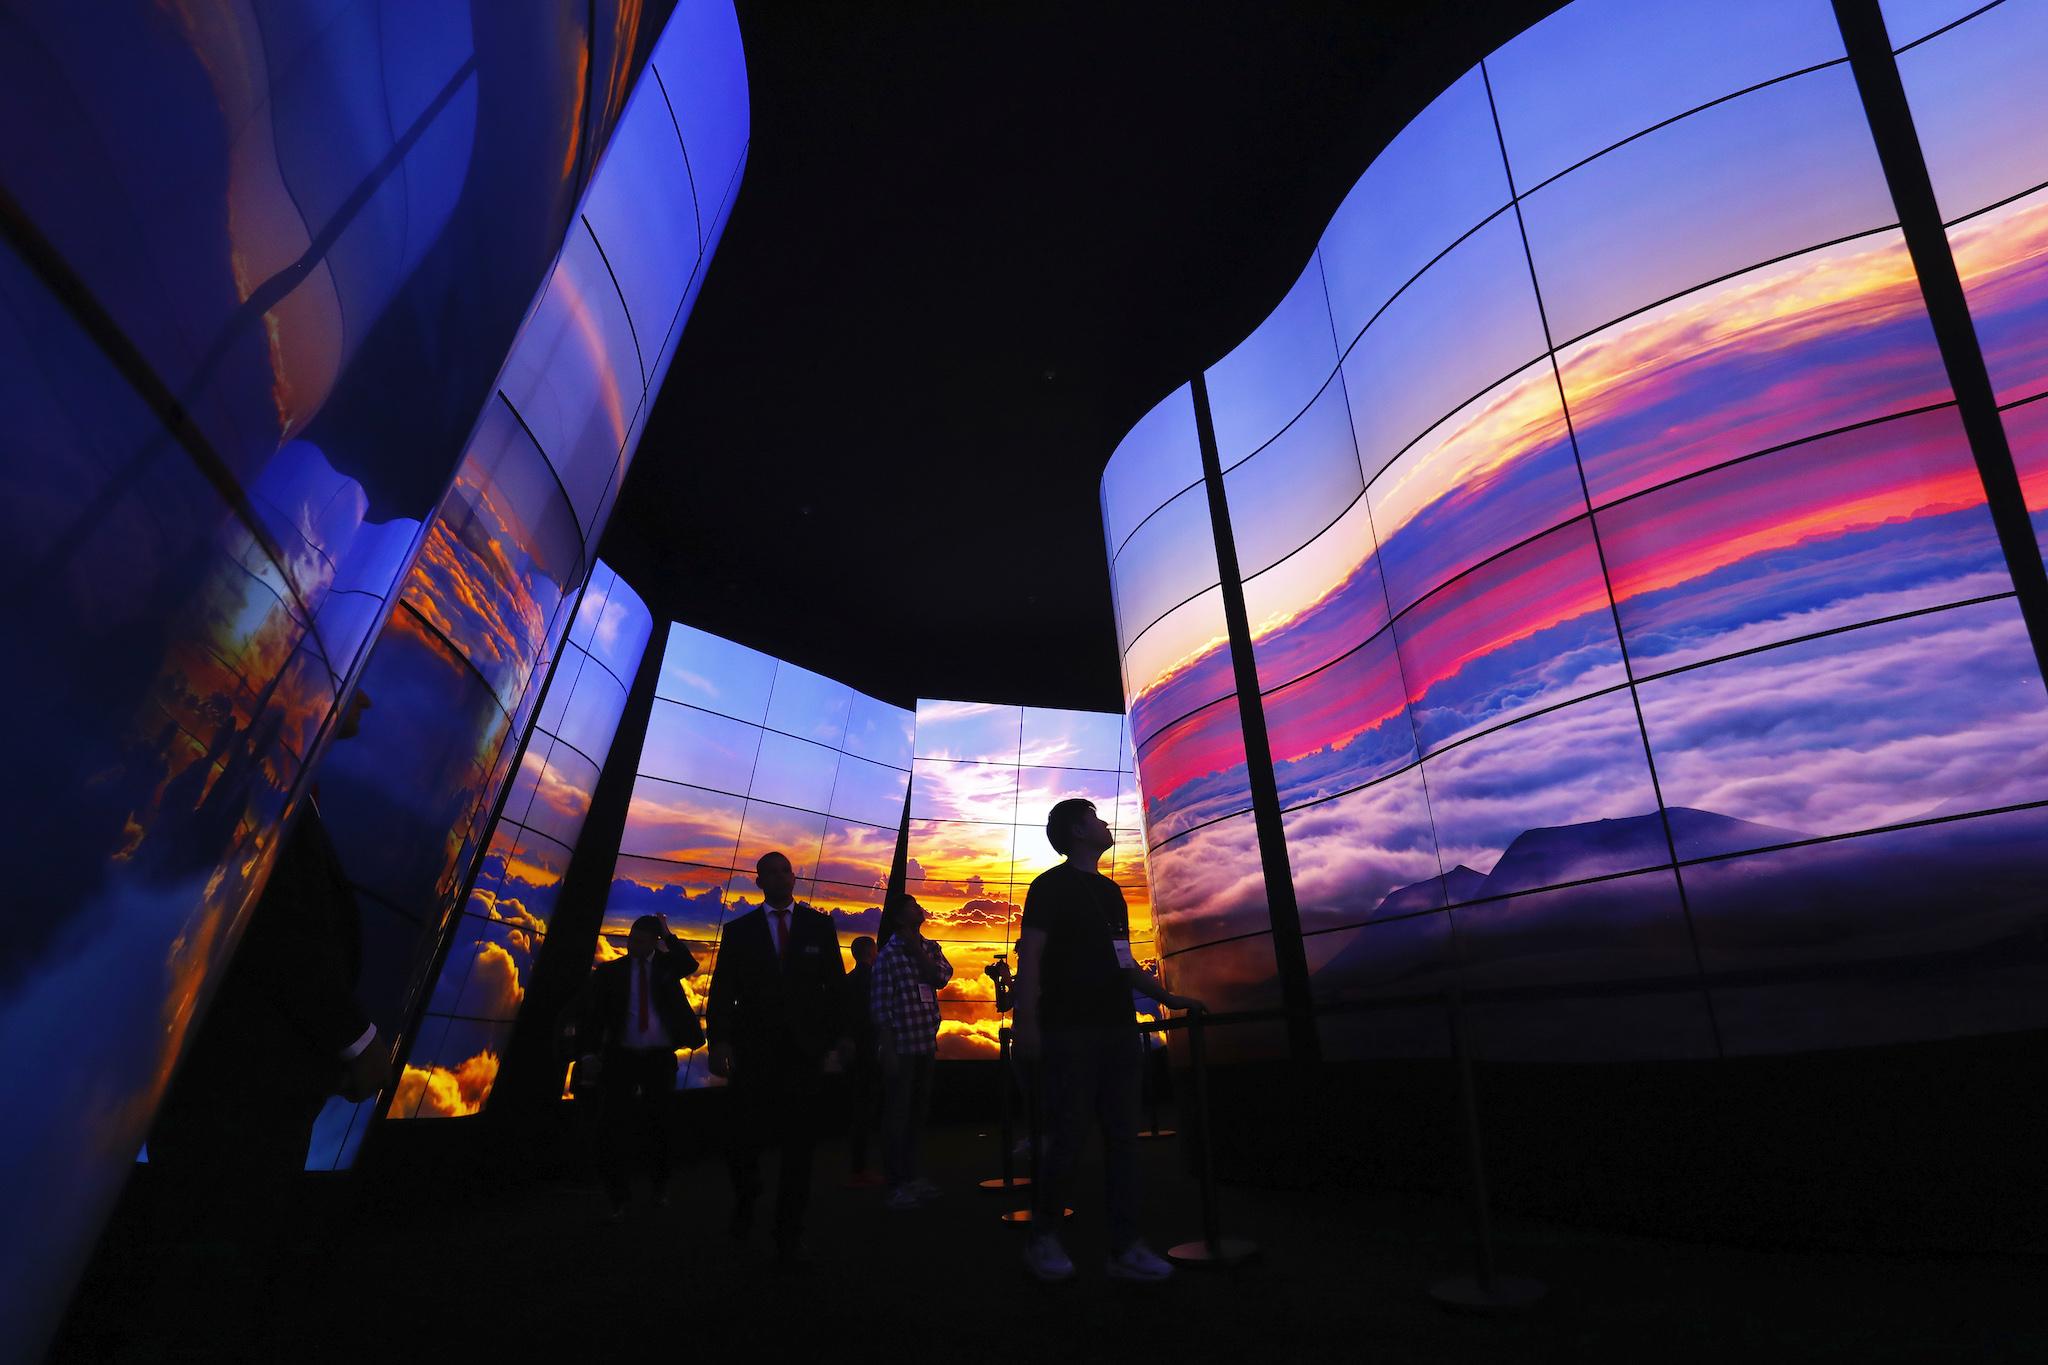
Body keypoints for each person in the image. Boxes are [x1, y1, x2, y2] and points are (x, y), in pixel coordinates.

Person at [1014, 798, 1206, 1283]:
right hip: (1070, 1032)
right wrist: (1028, 1024)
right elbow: (1031, 959)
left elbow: (1122, 962)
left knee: (1123, 1140)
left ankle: (1124, 1246)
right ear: (1078, 831)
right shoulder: (1048, 888)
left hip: (1117, 1029)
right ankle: (1043, 1236)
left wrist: (1166, 996)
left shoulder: (1111, 892)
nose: (1105, 825)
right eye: (1097, 819)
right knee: (1068, 1137)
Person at [704, 851, 848, 1266]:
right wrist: (720, 1043)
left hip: (803, 1053)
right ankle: (747, 1197)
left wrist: (837, 1040)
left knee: (800, 1146)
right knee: (743, 1139)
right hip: (754, 1052)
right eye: (771, 871)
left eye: (785, 869)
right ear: (759, 880)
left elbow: (834, 987)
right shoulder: (740, 931)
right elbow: (722, 992)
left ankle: (789, 1231)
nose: (780, 876)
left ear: (794, 877)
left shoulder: (819, 926)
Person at [574, 914, 702, 1219]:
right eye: (632, 939)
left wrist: (668, 936)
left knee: (661, 1124)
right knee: (612, 1125)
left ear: (654, 943)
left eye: (642, 940)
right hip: (622, 1057)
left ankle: (659, 1187)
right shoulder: (610, 973)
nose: (634, 944)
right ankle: (618, 1196)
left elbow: (689, 964)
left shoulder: (666, 969)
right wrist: (589, 1053)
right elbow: (594, 1017)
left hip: (658, 1057)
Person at [870, 895, 951, 1210]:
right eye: (911, 905)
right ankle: (896, 1183)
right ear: (899, 917)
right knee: (898, 1115)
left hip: (925, 1044)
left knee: (917, 1114)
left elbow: (941, 978)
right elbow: (880, 1005)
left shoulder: (930, 947)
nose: (919, 908)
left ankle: (914, 1176)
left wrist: (916, 948)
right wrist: (886, 1048)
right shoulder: (888, 956)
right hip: (902, 1047)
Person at [842, 934, 884, 1187]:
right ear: (872, 953)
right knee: (867, 1107)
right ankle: (863, 1167)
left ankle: (857, 1166)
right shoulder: (875, 982)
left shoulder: (847, 981)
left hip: (852, 1052)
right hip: (871, 1051)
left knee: (857, 1106)